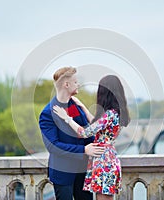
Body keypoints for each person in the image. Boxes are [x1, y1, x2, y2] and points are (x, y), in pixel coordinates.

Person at [53, 75, 130, 200]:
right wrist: (82, 107)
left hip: (103, 160)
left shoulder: (109, 114)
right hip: (109, 157)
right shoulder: (116, 113)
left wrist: (67, 118)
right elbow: (97, 125)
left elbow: (85, 132)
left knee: (102, 197)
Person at [39, 67, 105, 200]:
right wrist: (84, 150)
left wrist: (101, 145)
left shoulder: (74, 106)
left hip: (82, 171)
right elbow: (53, 146)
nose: (78, 84)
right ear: (66, 85)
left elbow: (84, 132)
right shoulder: (47, 113)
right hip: (62, 173)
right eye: (76, 82)